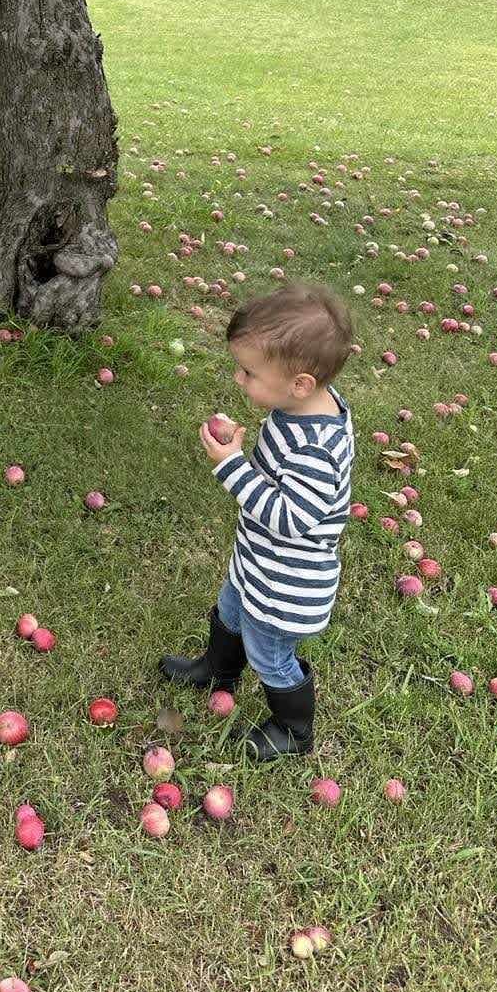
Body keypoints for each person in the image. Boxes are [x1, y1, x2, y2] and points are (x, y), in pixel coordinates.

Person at [160, 281, 355, 761]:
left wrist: (232, 466)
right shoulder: (299, 407)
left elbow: (289, 518)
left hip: (288, 580)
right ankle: (217, 671)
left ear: (301, 384)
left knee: (270, 654)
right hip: (259, 558)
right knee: (230, 610)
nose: (239, 379)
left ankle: (294, 728)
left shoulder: (314, 449)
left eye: (249, 372)